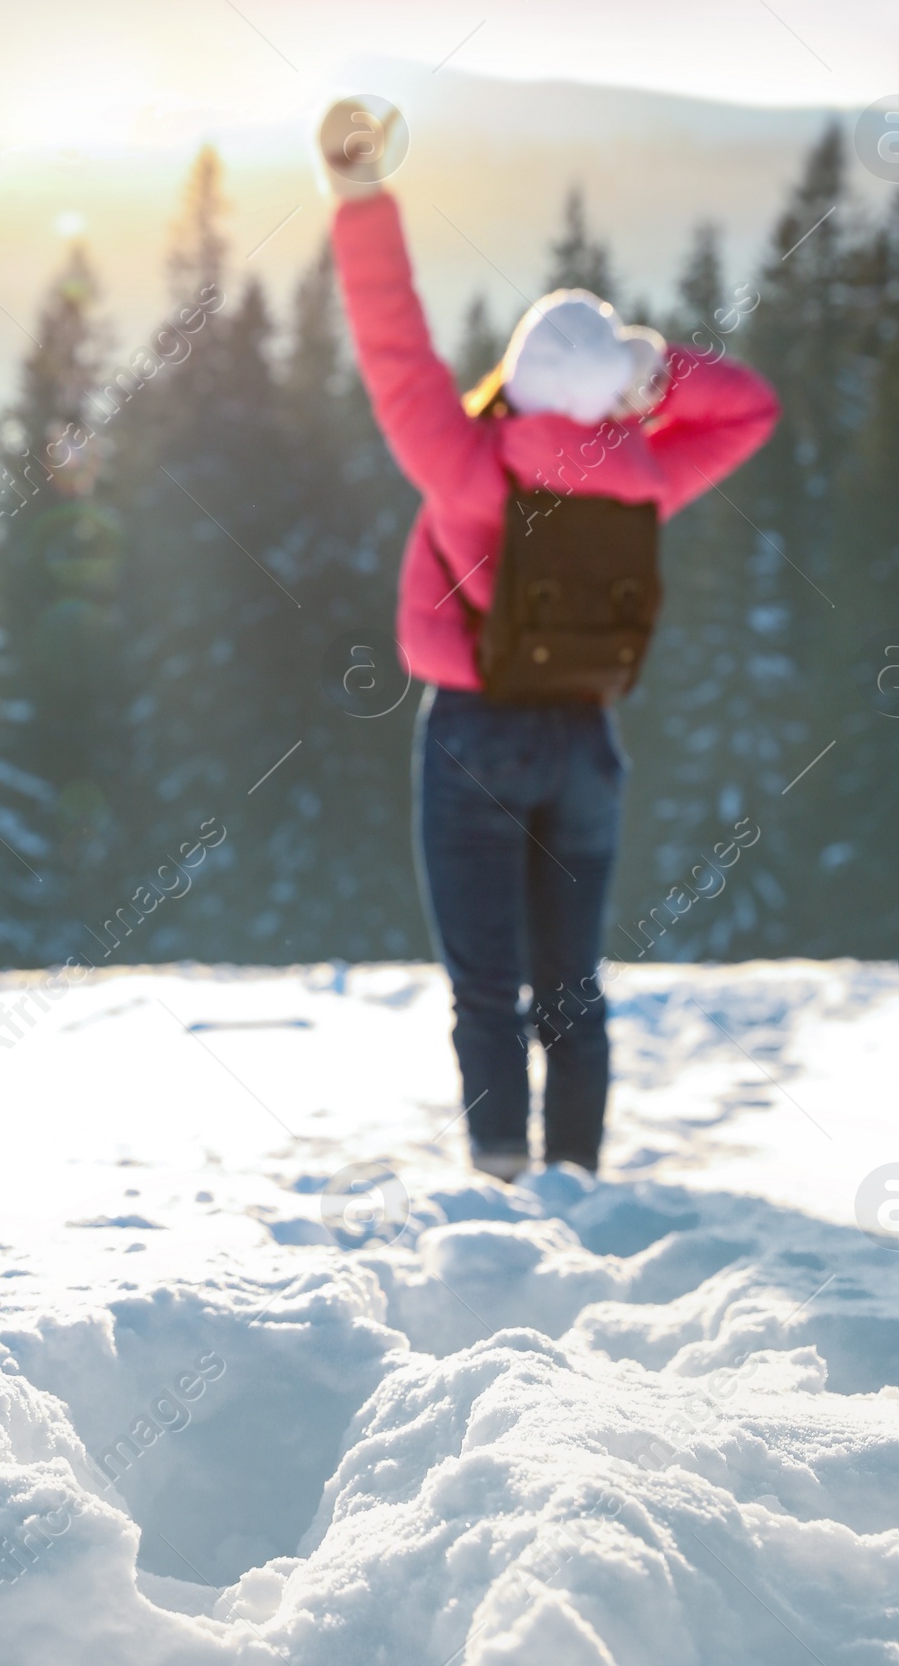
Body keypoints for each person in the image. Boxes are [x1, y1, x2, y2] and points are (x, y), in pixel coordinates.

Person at [318, 97, 778, 1181]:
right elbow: (748, 409)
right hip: (586, 744)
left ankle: (498, 1173)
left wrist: (358, 195)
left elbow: (392, 340)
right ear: (606, 389)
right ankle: (577, 1180)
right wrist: (656, 377)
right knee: (571, 987)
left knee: (485, 984)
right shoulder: (645, 484)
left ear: (519, 378)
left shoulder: (463, 462)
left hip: (474, 736)